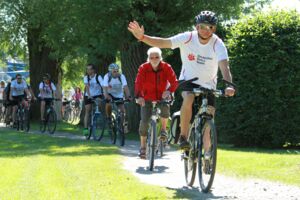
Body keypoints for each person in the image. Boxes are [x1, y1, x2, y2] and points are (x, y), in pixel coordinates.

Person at [128, 11, 235, 159]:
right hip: (188, 80)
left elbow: (224, 66)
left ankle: (208, 152)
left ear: (214, 29)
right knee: (189, 97)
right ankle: (183, 137)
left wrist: (229, 85)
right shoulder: (188, 37)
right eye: (202, 26)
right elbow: (164, 42)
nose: (206, 30)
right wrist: (142, 37)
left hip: (209, 84)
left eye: (210, 27)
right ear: (197, 27)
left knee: (209, 114)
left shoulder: (218, 43)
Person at [135, 47, 178, 159]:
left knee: (165, 109)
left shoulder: (166, 67)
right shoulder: (143, 68)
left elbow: (174, 82)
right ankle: (143, 147)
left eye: (157, 57)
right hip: (147, 97)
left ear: (161, 58)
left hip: (161, 97)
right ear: (148, 58)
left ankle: (163, 130)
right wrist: (139, 96)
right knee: (144, 121)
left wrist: (169, 91)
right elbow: (138, 83)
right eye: (151, 57)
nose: (154, 59)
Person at [103, 63, 131, 132]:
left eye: (117, 71)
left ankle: (121, 125)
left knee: (123, 111)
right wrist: (106, 96)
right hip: (110, 94)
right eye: (114, 71)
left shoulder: (121, 76)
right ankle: (109, 117)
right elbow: (105, 87)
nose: (116, 73)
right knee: (108, 104)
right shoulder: (107, 76)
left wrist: (128, 96)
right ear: (110, 72)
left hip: (119, 95)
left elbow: (125, 87)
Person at [83, 64, 103, 136]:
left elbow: (103, 85)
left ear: (93, 70)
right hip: (88, 95)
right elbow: (87, 87)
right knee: (87, 111)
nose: (88, 71)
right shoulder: (86, 77)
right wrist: (89, 95)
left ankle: (97, 118)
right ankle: (85, 128)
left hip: (97, 95)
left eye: (89, 69)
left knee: (99, 105)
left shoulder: (98, 77)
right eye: (87, 69)